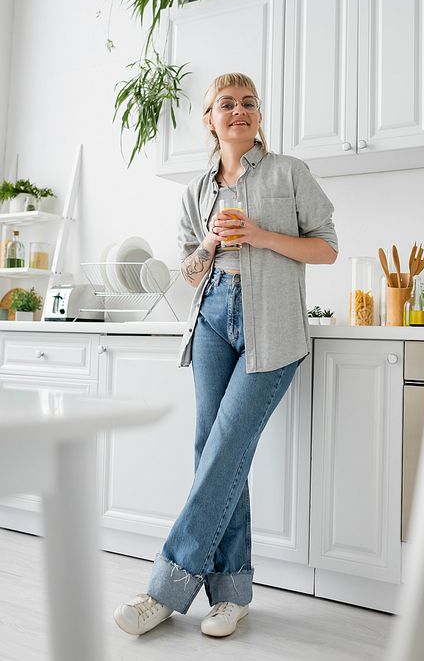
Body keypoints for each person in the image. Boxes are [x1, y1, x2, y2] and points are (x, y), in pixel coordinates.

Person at [114, 73, 338, 638]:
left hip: (274, 325)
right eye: (227, 104)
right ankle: (231, 592)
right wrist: (212, 242)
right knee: (210, 448)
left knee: (227, 446)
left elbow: (328, 247)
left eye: (249, 104)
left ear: (258, 118)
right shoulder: (195, 191)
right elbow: (189, 274)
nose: (239, 111)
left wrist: (259, 235)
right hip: (213, 316)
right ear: (211, 120)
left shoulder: (289, 173)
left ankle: (166, 586)